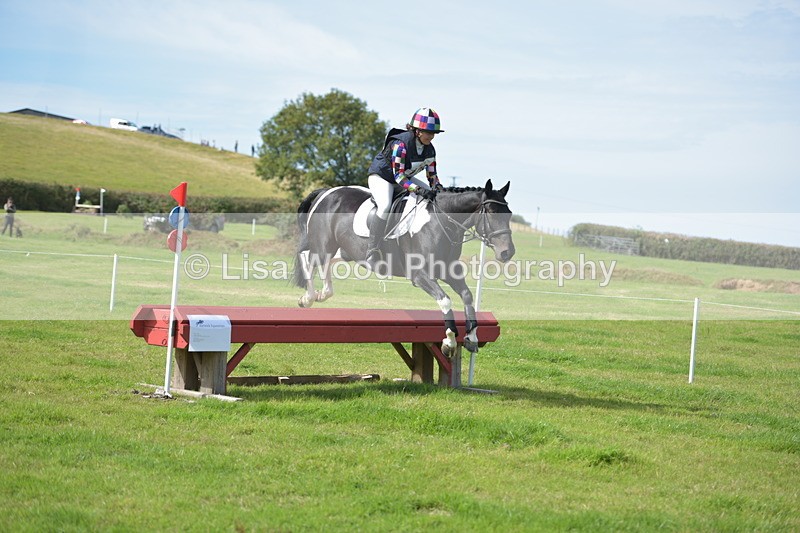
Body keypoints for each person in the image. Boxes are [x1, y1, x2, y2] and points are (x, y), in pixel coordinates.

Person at [365, 107, 445, 264]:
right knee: (386, 205)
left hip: (402, 178)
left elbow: (432, 176)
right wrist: (418, 189)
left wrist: (439, 190)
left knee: (431, 195)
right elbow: (399, 177)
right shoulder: (400, 145)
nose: (431, 136)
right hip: (382, 177)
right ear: (416, 131)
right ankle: (372, 250)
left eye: (433, 133)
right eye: (427, 132)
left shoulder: (430, 150)